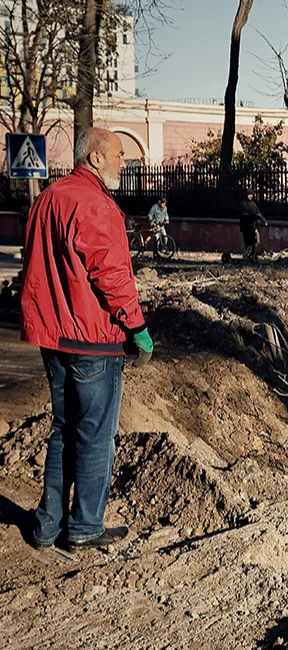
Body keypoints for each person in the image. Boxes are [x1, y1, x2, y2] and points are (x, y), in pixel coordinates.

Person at [20, 127, 153, 551]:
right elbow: (110, 274)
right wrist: (137, 328)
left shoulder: (47, 199)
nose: (123, 162)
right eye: (118, 154)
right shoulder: (96, 203)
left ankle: (47, 526)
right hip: (93, 341)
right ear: (95, 157)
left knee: (63, 429)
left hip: (53, 337)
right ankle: (85, 528)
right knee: (95, 436)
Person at [238, 190, 266, 262]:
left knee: (256, 240)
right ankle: (246, 256)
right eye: (249, 194)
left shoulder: (253, 204)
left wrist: (263, 220)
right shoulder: (243, 204)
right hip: (246, 226)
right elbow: (242, 214)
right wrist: (250, 216)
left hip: (253, 226)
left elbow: (258, 213)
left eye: (252, 194)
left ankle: (253, 254)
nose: (251, 196)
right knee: (247, 241)